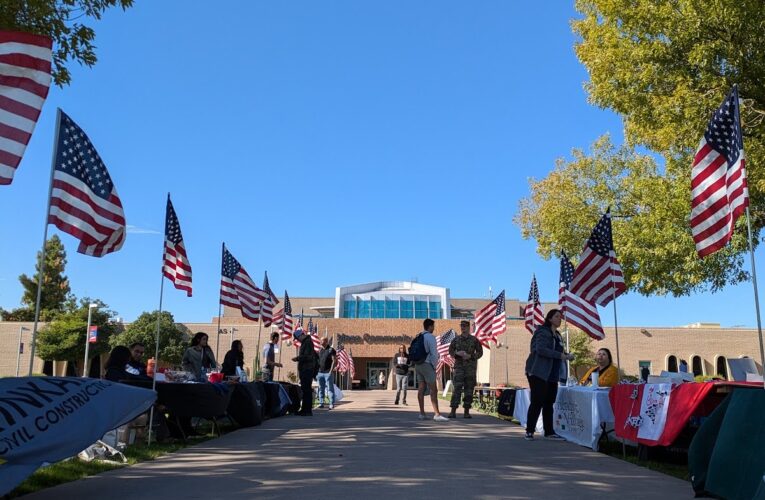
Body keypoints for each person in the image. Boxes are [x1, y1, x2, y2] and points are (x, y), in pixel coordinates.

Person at [524, 309, 575, 440]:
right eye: (557, 316)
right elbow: (540, 349)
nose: (560, 319)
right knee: (537, 401)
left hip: (552, 373)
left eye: (561, 317)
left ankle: (549, 431)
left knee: (549, 402)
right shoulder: (542, 332)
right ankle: (529, 431)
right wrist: (560, 355)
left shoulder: (557, 335)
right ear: (550, 318)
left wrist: (567, 356)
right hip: (538, 371)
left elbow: (558, 351)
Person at [414, 318, 449, 421]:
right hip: (427, 364)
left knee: (421, 388)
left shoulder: (419, 336)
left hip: (418, 364)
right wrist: (434, 366)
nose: (434, 328)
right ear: (430, 326)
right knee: (434, 389)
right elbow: (434, 354)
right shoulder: (430, 337)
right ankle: (437, 414)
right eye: (433, 326)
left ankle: (422, 413)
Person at [448, 320, 484, 419]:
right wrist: (456, 354)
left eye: (464, 326)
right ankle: (453, 411)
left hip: (470, 369)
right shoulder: (456, 339)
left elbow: (480, 352)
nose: (462, 328)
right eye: (461, 326)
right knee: (457, 390)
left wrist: (471, 356)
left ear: (468, 327)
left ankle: (466, 411)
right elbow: (450, 350)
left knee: (469, 390)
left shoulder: (474, 340)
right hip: (459, 368)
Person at [292, 327, 319, 416]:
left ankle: (307, 410)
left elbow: (307, 356)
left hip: (307, 369)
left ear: (300, 336)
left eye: (297, 338)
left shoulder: (307, 342)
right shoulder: (307, 342)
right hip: (307, 369)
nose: (297, 340)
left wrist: (298, 358)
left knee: (306, 390)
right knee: (305, 390)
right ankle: (305, 409)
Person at [317, 337, 337, 409]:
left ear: (326, 341)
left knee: (330, 389)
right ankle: (321, 403)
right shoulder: (320, 350)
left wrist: (330, 372)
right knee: (320, 388)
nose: (320, 341)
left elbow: (334, 361)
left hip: (328, 373)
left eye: (321, 340)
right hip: (320, 373)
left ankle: (331, 404)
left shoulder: (331, 350)